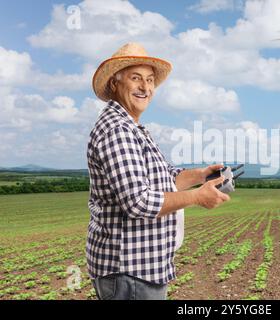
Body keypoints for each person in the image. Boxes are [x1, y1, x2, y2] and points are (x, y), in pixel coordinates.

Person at [86, 42, 230, 300]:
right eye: (136, 78)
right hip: (129, 272)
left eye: (150, 80)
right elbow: (138, 201)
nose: (145, 87)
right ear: (114, 84)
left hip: (139, 271)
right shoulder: (117, 131)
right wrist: (198, 197)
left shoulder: (132, 127)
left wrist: (200, 175)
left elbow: (164, 178)